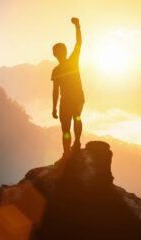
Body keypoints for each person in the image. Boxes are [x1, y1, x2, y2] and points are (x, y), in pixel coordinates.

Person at [51, 17, 85, 156]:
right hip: (75, 98)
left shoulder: (58, 70)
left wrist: (77, 26)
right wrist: (77, 26)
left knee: (67, 127)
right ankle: (73, 146)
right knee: (75, 120)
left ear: (55, 54)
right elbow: (79, 43)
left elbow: (55, 91)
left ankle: (69, 151)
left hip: (70, 99)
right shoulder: (71, 62)